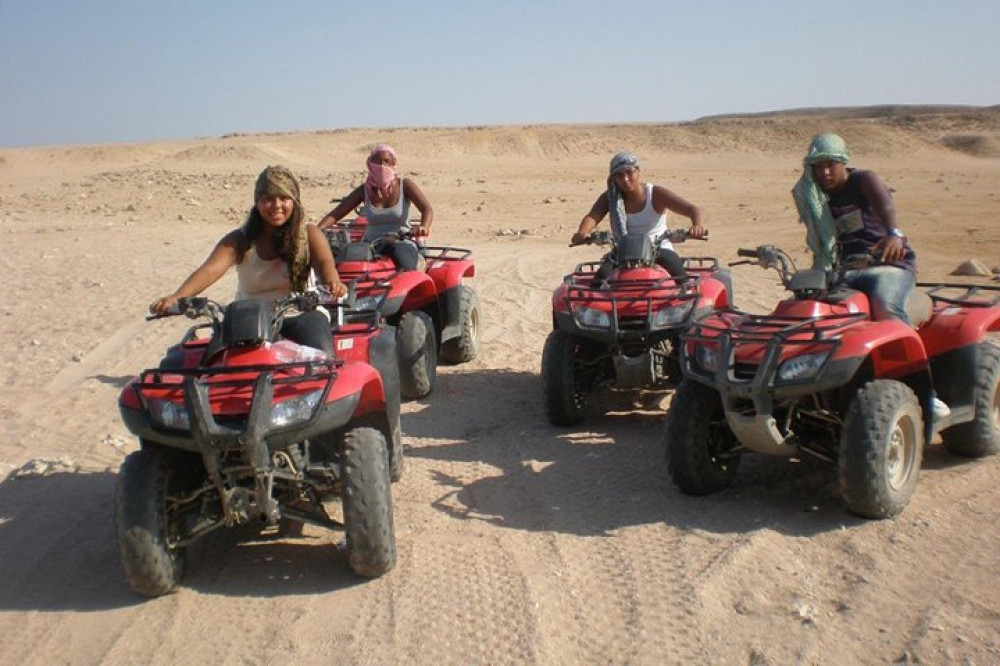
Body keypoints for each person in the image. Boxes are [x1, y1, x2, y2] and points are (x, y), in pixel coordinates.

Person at [150, 165, 347, 356]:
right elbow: (210, 269)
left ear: (294, 201)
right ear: (258, 202)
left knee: (323, 360)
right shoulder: (240, 240)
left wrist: (333, 283)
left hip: (300, 312)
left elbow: (324, 264)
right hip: (247, 317)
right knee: (215, 365)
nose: (277, 205)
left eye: (284, 198)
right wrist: (177, 296)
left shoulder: (309, 234)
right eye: (268, 199)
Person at [791, 132, 916, 323]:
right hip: (845, 270)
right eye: (818, 166)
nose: (825, 172)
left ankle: (908, 351)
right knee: (805, 307)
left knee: (885, 307)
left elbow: (885, 205)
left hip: (886, 265)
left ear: (843, 162)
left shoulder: (862, 180)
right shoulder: (815, 197)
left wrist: (894, 234)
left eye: (831, 164)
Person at [570, 151, 707, 281]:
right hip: (623, 252)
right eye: (619, 175)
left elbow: (692, 209)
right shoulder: (611, 198)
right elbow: (593, 216)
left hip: (658, 248)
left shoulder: (655, 194)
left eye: (629, 172)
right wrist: (582, 232)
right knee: (599, 282)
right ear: (614, 178)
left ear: (638, 171)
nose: (625, 179)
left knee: (679, 277)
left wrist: (697, 226)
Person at [318, 144, 434, 271]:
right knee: (345, 268)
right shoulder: (364, 190)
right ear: (370, 163)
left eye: (386, 161)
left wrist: (423, 227)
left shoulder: (404, 185)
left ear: (393, 163)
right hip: (370, 244)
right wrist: (318, 229)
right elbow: (337, 213)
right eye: (377, 161)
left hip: (400, 241)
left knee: (406, 270)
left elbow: (427, 209)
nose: (382, 166)